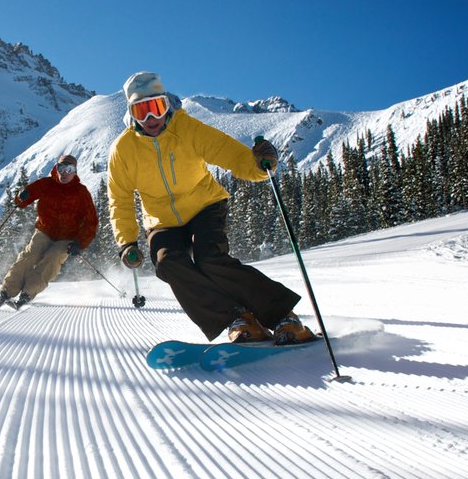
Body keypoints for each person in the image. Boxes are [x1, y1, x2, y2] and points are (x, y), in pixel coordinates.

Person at [106, 71, 315, 344]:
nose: (151, 118)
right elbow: (119, 200)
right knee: (168, 262)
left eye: (156, 107)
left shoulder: (188, 129)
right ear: (131, 113)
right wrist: (127, 242)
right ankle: (237, 318)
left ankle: (284, 317)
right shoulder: (123, 150)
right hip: (161, 220)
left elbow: (229, 153)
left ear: (167, 104)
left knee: (210, 258)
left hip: (205, 205)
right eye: (141, 111)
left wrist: (260, 165)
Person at [0, 154, 99, 309]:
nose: (65, 173)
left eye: (69, 169)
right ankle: (6, 293)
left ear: (75, 171)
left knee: (52, 258)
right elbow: (22, 200)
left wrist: (79, 243)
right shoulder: (46, 184)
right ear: (56, 168)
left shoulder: (81, 192)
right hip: (45, 231)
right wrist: (22, 196)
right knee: (30, 255)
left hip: (66, 237)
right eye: (62, 168)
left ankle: (27, 294)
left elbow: (91, 222)